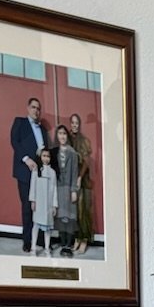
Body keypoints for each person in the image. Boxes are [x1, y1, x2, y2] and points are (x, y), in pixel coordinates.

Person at [10, 97, 47, 252]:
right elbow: (14, 142)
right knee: (27, 206)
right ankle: (26, 241)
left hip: (39, 173)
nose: (36, 111)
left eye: (38, 108)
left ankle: (38, 239)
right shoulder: (20, 122)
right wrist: (27, 159)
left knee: (39, 207)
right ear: (28, 108)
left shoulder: (43, 129)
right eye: (33, 107)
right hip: (25, 172)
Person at [67, 110, 95, 254]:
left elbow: (86, 161)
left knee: (82, 211)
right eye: (72, 123)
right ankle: (76, 239)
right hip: (69, 180)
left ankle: (83, 240)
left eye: (77, 123)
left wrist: (79, 177)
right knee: (74, 212)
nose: (75, 125)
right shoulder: (67, 139)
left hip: (82, 180)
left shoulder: (84, 141)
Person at [52, 123, 80, 258]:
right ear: (56, 136)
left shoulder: (72, 153)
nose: (62, 136)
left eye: (64, 134)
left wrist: (74, 190)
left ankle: (68, 245)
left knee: (70, 217)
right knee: (61, 217)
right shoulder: (54, 152)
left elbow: (75, 173)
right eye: (59, 134)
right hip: (58, 188)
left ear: (67, 136)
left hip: (68, 188)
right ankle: (63, 244)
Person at [27, 146, 57, 256]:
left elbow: (54, 189)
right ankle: (33, 247)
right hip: (39, 203)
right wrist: (33, 201)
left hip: (48, 204)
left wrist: (54, 205)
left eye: (48, 156)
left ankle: (47, 248)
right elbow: (32, 186)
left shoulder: (52, 172)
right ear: (40, 157)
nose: (46, 159)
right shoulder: (36, 170)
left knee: (47, 228)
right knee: (36, 225)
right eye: (44, 156)